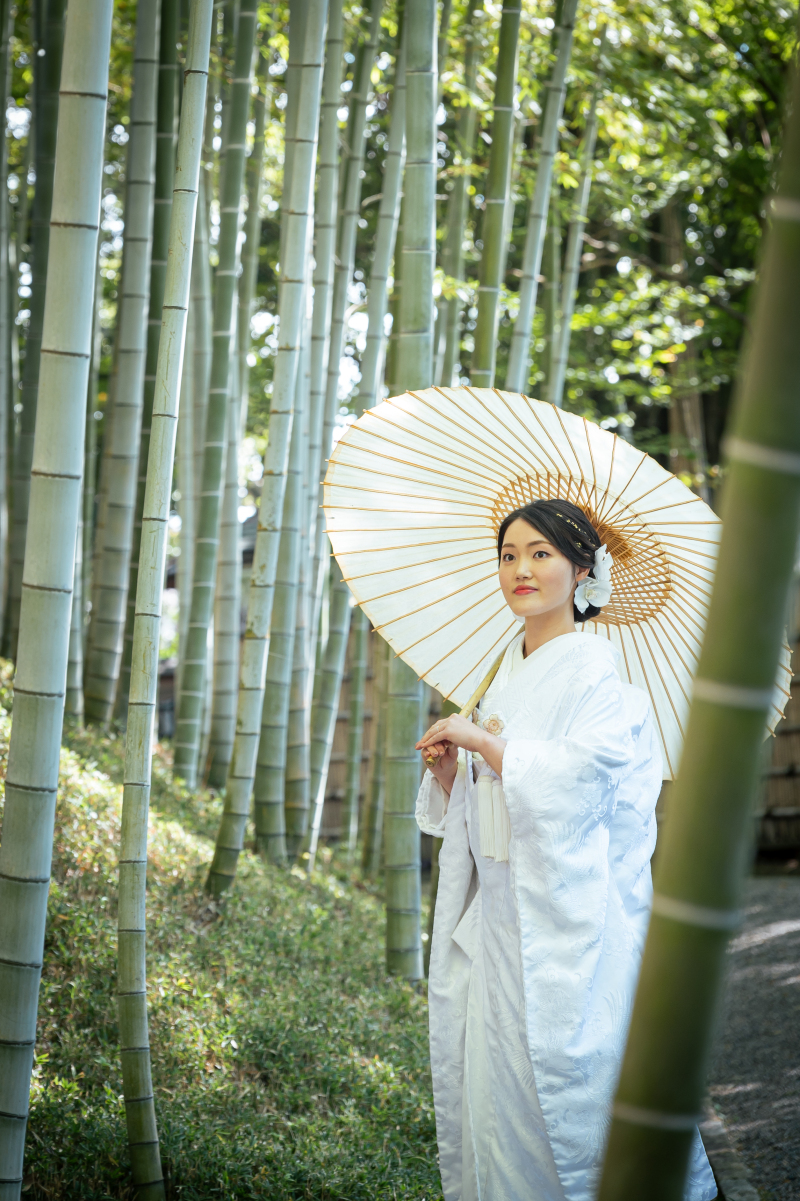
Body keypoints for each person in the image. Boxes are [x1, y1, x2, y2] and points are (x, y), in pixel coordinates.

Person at [414, 498, 717, 1201]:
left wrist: (488, 744)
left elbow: (588, 782)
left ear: (583, 569)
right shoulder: (502, 676)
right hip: (499, 924)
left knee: (576, 1101)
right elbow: (492, 802)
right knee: (502, 1105)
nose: (520, 569)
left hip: (565, 928)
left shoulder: (596, 676)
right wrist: (455, 775)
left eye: (541, 553)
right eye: (509, 555)